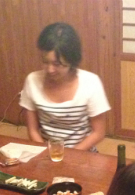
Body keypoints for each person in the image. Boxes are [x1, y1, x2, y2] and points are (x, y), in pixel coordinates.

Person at [19, 22, 110, 151]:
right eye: (45, 62)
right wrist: (47, 153)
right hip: (47, 152)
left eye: (57, 64)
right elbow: (32, 130)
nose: (50, 70)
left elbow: (98, 133)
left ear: (71, 60)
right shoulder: (32, 80)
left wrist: (69, 155)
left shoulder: (91, 82)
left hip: (82, 152)